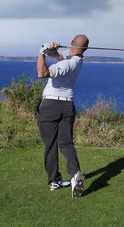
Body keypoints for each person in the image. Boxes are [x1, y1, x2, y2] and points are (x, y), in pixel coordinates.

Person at [36, 34, 89, 198]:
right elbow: (59, 55)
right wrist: (51, 49)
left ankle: (54, 180)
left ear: (72, 43)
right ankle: (74, 175)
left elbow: (41, 72)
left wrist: (41, 53)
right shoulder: (77, 60)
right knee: (66, 142)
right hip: (67, 106)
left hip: (51, 106)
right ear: (85, 49)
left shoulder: (67, 64)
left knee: (50, 144)